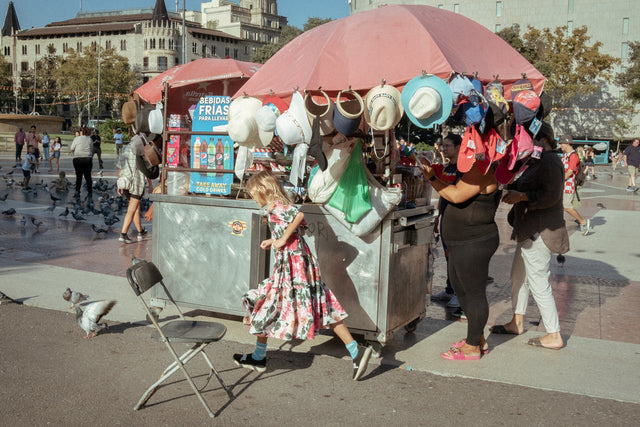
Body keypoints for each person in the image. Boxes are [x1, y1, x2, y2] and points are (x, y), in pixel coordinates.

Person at [235, 170, 373, 380]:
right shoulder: (274, 208)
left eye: (254, 193)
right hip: (297, 265)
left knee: (266, 304)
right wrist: (275, 240)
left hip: (293, 268)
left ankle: (259, 356)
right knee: (322, 306)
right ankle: (356, 350)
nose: (253, 198)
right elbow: (296, 229)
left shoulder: (276, 207)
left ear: (264, 190)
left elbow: (299, 215)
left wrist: (280, 241)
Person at [491, 122, 569, 350]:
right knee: (518, 278)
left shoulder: (550, 161)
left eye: (530, 139)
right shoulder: (536, 161)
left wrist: (522, 196)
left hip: (540, 231)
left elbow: (552, 196)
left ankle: (554, 334)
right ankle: (517, 321)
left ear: (542, 139)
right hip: (528, 230)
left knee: (538, 281)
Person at [421, 145, 500, 360]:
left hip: (474, 241)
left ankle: (473, 346)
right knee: (459, 286)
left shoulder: (483, 169)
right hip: (461, 241)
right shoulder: (473, 168)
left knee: (473, 292)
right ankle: (476, 338)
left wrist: (432, 178)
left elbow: (455, 196)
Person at [430, 134, 464, 310]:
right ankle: (450, 290)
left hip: (458, 219)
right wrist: (437, 218)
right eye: (442, 145)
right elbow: (443, 195)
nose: (443, 149)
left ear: (459, 147)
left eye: (447, 146)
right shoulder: (447, 167)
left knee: (457, 257)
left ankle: (460, 293)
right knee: (448, 255)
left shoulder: (462, 168)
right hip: (446, 218)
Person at [117, 132, 149, 243]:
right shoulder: (141, 151)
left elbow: (120, 167)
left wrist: (119, 183)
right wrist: (150, 184)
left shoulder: (124, 149)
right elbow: (146, 170)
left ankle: (140, 231)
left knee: (135, 207)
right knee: (131, 209)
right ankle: (123, 234)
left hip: (125, 182)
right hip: (136, 183)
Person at [558, 135, 590, 235]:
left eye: (562, 143)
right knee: (559, 206)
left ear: (567, 144)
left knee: (567, 206)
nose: (560, 146)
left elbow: (570, 172)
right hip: (562, 184)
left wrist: (559, 180)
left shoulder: (573, 156)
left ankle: (583, 222)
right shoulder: (565, 155)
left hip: (568, 184)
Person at [70, 127, 94, 201]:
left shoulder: (77, 138)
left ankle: (77, 191)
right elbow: (91, 148)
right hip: (87, 158)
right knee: (88, 176)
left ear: (82, 132)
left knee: (79, 176)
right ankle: (90, 191)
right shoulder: (90, 139)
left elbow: (72, 148)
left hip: (78, 158)